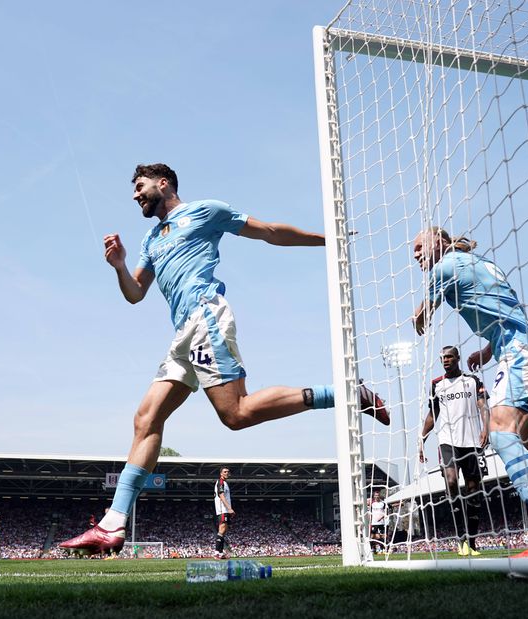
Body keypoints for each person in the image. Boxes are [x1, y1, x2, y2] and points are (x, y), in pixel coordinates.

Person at [61, 163, 391, 555]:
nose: (135, 194)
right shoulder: (151, 239)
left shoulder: (205, 211)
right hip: (182, 333)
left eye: (140, 186)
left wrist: (328, 240)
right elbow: (135, 293)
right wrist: (118, 266)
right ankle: (112, 525)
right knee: (145, 419)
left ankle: (347, 394)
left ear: (163, 183)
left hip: (206, 317)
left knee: (236, 414)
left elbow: (268, 232)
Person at [412, 227, 528, 558]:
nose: (415, 255)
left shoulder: (444, 267)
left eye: (419, 247)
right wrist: (488, 349)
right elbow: (508, 312)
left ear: (439, 241)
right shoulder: (480, 262)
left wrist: (417, 317)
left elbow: (422, 314)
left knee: (500, 434)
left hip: (519, 355)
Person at [419, 345, 490, 557]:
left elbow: (483, 406)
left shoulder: (472, 381)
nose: (446, 360)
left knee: (473, 489)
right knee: (450, 481)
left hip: (471, 441)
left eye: (449, 357)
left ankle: (472, 542)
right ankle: (461, 539)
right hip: (447, 441)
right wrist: (421, 439)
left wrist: (486, 428)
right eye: (443, 358)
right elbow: (433, 415)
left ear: (457, 358)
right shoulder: (436, 385)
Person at [214, 467, 235, 559]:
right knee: (222, 530)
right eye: (225, 472)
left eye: (228, 472)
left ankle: (220, 553)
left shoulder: (225, 483)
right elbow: (222, 496)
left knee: (224, 531)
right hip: (223, 510)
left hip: (225, 510)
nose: (227, 473)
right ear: (221, 474)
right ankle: (217, 553)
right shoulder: (221, 482)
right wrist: (229, 508)